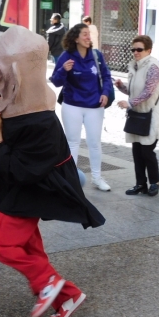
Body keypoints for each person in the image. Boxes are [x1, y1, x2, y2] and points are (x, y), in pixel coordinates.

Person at [0, 25, 105, 317]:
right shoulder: (24, 111)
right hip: (24, 193)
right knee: (31, 250)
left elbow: (19, 171)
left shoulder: (41, 121)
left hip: (29, 194)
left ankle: (47, 283)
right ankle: (68, 294)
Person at [50, 23, 114, 191]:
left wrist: (105, 93)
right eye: (84, 34)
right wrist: (64, 70)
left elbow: (107, 77)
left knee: (94, 143)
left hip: (95, 106)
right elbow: (56, 81)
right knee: (73, 142)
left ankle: (97, 178)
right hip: (72, 106)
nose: (88, 37)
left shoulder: (96, 55)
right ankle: (71, 180)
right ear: (75, 38)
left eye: (88, 34)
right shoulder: (66, 56)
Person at [115, 35, 159, 196]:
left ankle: (155, 182)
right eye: (133, 49)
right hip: (137, 115)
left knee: (147, 151)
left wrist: (129, 103)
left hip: (151, 115)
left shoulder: (153, 67)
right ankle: (140, 184)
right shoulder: (134, 66)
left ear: (148, 50)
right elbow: (133, 91)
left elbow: (148, 91)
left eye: (139, 49)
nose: (136, 52)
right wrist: (122, 87)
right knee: (137, 151)